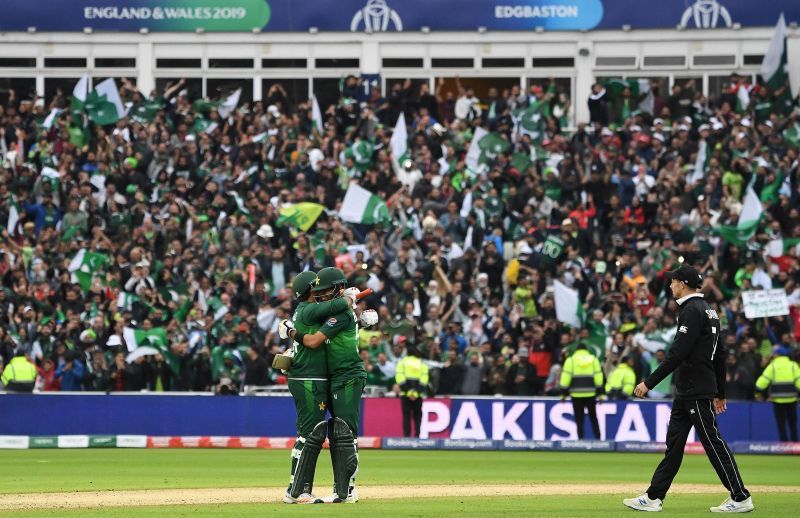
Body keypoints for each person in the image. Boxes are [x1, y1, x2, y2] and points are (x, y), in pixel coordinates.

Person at [625, 265, 753, 513]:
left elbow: (677, 353)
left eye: (673, 282)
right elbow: (720, 354)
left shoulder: (691, 310)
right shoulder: (710, 311)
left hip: (695, 389)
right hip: (689, 391)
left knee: (712, 442)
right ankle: (654, 497)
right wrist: (721, 392)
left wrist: (648, 382)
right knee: (674, 445)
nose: (671, 286)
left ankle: (740, 497)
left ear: (682, 283)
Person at [283, 267, 378, 504]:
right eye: (317, 291)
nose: (321, 295)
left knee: (344, 432)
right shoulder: (324, 310)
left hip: (347, 375)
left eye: (325, 291)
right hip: (333, 376)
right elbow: (325, 325)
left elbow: (316, 339)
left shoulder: (338, 313)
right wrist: (354, 309)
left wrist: (357, 316)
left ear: (337, 287)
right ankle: (334, 490)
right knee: (334, 432)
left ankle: (346, 491)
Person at [755, 346, 800, 442]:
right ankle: (795, 445)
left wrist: (758, 393)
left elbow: (762, 382)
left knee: (781, 424)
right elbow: (799, 382)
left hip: (777, 401)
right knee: (793, 424)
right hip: (792, 400)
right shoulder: (793, 365)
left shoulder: (772, 366)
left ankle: (784, 446)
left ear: (776, 354)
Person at [559, 343, 603, 439]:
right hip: (591, 393)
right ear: (586, 350)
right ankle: (598, 439)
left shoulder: (571, 360)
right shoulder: (594, 360)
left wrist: (563, 394)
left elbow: (565, 378)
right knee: (593, 418)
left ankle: (581, 440)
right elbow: (598, 377)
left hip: (576, 394)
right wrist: (600, 394)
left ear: (576, 350)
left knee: (579, 419)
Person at [395, 346, 429, 437]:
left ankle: (407, 437)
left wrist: (409, 392)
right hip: (418, 395)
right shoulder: (422, 363)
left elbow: (399, 378)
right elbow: (424, 379)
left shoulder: (401, 363)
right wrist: (416, 393)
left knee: (407, 416)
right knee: (417, 417)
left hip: (405, 394)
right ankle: (417, 436)